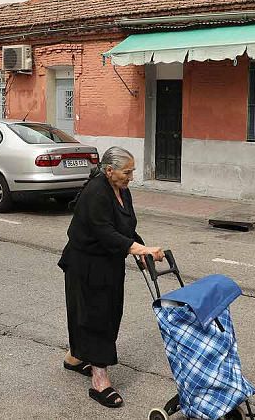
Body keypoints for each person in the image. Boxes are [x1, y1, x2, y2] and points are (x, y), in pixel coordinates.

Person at [58, 146, 164, 409]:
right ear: (109, 171)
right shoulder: (96, 193)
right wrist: (138, 249)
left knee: (99, 312)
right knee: (97, 317)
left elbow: (125, 227)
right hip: (86, 264)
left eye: (132, 171)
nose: (130, 176)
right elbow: (104, 232)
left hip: (108, 263)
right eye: (127, 172)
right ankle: (100, 381)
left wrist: (139, 246)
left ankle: (74, 358)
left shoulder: (123, 191)